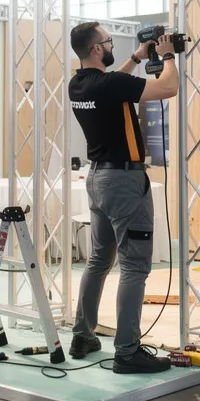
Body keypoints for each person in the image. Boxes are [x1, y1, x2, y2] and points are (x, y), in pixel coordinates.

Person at [67, 23, 178, 374]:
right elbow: (169, 87)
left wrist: (134, 57)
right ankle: (127, 351)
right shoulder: (112, 85)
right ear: (97, 49)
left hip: (97, 178)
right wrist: (169, 54)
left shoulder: (79, 84)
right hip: (124, 181)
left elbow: (113, 81)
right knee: (134, 266)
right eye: (109, 42)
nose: (112, 45)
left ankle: (82, 334)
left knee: (99, 260)